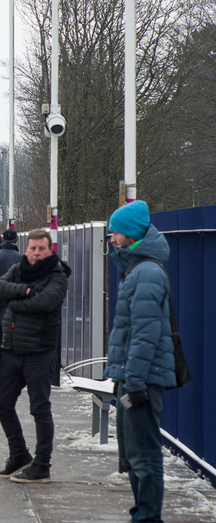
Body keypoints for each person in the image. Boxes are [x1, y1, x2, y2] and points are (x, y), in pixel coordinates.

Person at [104, 200, 175, 523]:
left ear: (131, 234)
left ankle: (147, 517)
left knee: (143, 454)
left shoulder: (145, 272)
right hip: (134, 377)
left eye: (115, 232)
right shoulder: (137, 269)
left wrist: (132, 382)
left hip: (141, 381)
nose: (111, 238)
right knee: (133, 454)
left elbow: (145, 334)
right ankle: (142, 513)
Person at [0, 228, 71, 483]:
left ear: (50, 250)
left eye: (41, 249)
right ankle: (19, 455)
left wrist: (12, 301)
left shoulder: (58, 274)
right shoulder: (19, 269)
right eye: (32, 248)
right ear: (26, 250)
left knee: (40, 409)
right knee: (2, 404)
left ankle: (42, 465)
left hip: (39, 352)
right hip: (11, 351)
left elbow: (45, 303)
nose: (36, 253)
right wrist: (24, 292)